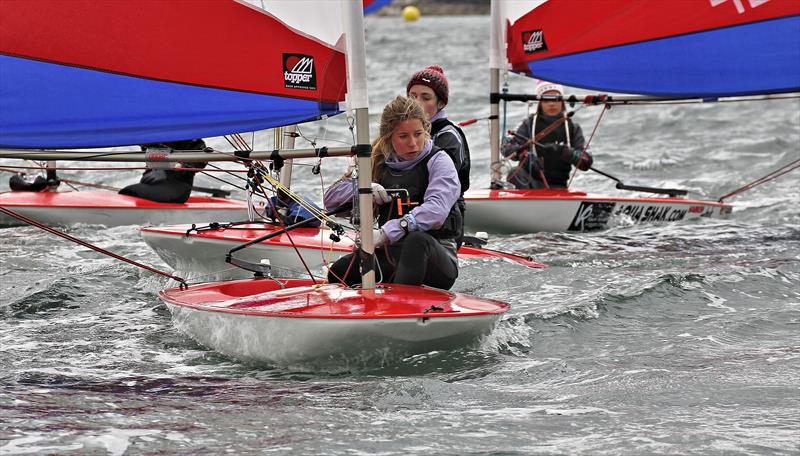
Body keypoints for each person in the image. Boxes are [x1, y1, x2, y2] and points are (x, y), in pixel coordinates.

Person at [324, 96, 461, 289]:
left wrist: (387, 233)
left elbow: (436, 211)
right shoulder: (377, 160)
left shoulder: (439, 161)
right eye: (403, 136)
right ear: (389, 138)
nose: (413, 143)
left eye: (418, 134)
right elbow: (330, 201)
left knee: (416, 241)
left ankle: (401, 305)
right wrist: (364, 187)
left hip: (435, 256)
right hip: (393, 253)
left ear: (426, 130)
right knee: (338, 272)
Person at [406, 65, 470, 246]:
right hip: (408, 216)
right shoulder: (401, 132)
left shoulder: (448, 136)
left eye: (425, 98)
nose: (416, 103)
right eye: (412, 96)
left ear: (440, 103)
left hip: (444, 228)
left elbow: (427, 181)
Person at [501, 80, 592, 189]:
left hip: (558, 186)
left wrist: (565, 152)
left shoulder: (573, 128)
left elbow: (587, 162)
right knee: (514, 173)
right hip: (530, 184)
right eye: (546, 99)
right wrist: (523, 155)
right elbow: (505, 146)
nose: (551, 103)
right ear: (540, 103)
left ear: (562, 101)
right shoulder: (528, 124)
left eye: (556, 99)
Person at [118, 139, 207, 204]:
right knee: (129, 192)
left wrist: (169, 169)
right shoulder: (151, 133)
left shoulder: (186, 133)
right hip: (150, 183)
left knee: (129, 191)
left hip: (177, 187)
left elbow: (201, 159)